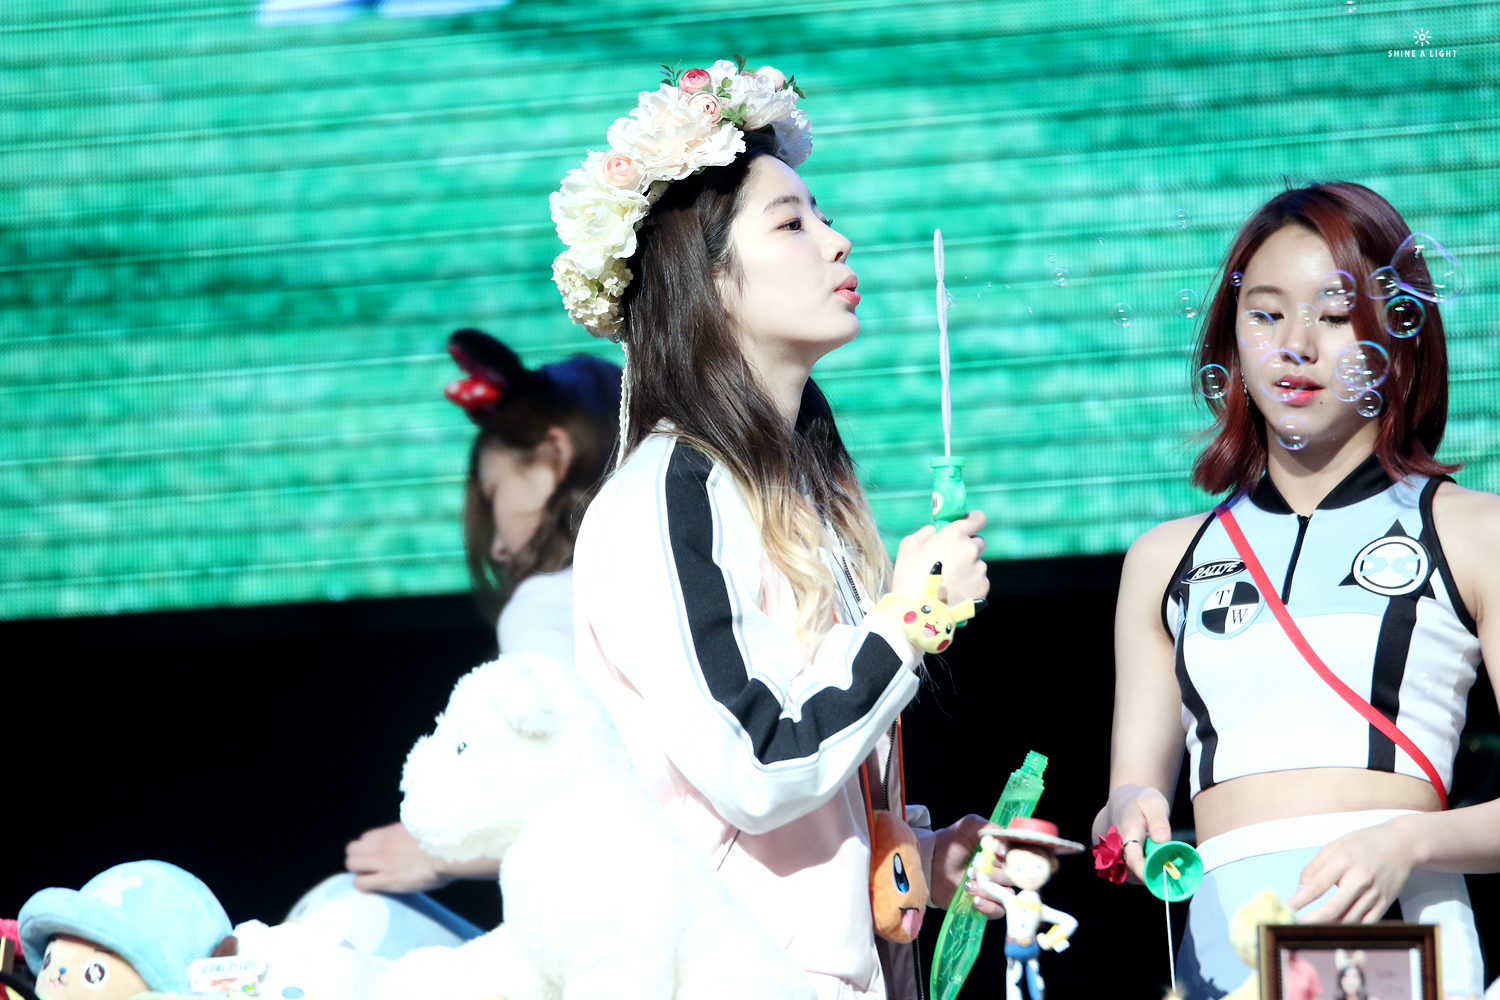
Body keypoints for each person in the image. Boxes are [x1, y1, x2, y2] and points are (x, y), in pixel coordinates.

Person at [553, 60, 996, 998]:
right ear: (707, 283)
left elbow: (791, 824)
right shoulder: (672, 492)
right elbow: (760, 760)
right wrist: (907, 621)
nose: (837, 242)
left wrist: (928, 859)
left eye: (820, 216)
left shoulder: (797, 495)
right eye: (792, 224)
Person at [1094, 182, 1499, 999]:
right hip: (1220, 948)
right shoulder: (1164, 559)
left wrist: (1408, 844)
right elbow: (1128, 794)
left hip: (1396, 935)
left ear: (1397, 340)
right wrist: (1128, 816)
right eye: (1266, 315)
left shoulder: (1472, 530)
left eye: (1336, 315)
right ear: (1231, 341)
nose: (1295, 346)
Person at [342, 329, 622, 898]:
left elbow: (578, 788)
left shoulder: (543, 605)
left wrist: (440, 850)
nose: (496, 546)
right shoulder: (683, 571)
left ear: (553, 456)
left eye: (495, 496)